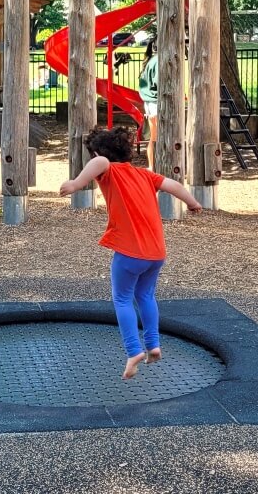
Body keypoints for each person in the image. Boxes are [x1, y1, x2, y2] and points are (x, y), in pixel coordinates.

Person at [59, 126, 202, 380]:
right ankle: (154, 345)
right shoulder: (146, 175)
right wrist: (192, 203)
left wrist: (75, 184)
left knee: (122, 299)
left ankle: (134, 350)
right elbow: (174, 186)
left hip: (129, 252)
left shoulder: (107, 168)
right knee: (145, 295)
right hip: (156, 253)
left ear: (95, 154)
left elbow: (101, 161)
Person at [138, 38, 158, 170]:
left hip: (150, 102)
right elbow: (159, 83)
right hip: (155, 102)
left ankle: (152, 166)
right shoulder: (159, 61)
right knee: (156, 137)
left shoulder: (151, 60)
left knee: (154, 136)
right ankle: (154, 166)